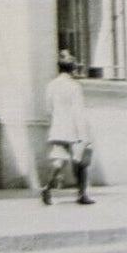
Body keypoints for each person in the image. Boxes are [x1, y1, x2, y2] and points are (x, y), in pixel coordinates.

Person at [43, 50, 94, 205]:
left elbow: (48, 109)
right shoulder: (74, 86)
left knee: (59, 160)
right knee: (81, 163)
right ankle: (82, 194)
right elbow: (78, 110)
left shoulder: (51, 85)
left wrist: (55, 121)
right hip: (74, 128)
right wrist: (84, 134)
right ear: (72, 68)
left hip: (58, 126)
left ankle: (47, 187)